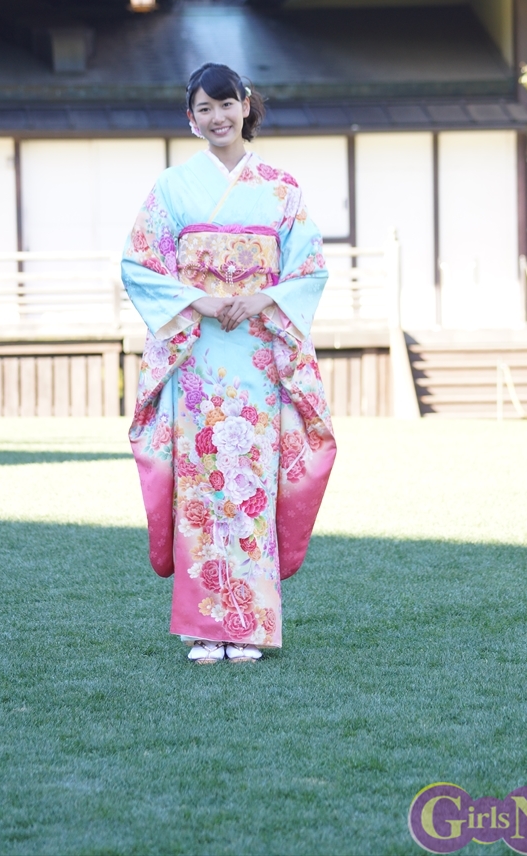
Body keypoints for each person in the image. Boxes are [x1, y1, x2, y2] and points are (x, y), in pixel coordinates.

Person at [122, 62, 336, 664]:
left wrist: (263, 298)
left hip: (258, 358)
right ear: (191, 119)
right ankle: (203, 627)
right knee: (202, 485)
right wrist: (202, 301)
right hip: (198, 357)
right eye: (204, 108)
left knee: (248, 486)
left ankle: (247, 625)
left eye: (226, 104)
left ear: (246, 105)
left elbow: (310, 268)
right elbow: (139, 264)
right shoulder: (172, 188)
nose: (217, 117)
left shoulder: (281, 188)